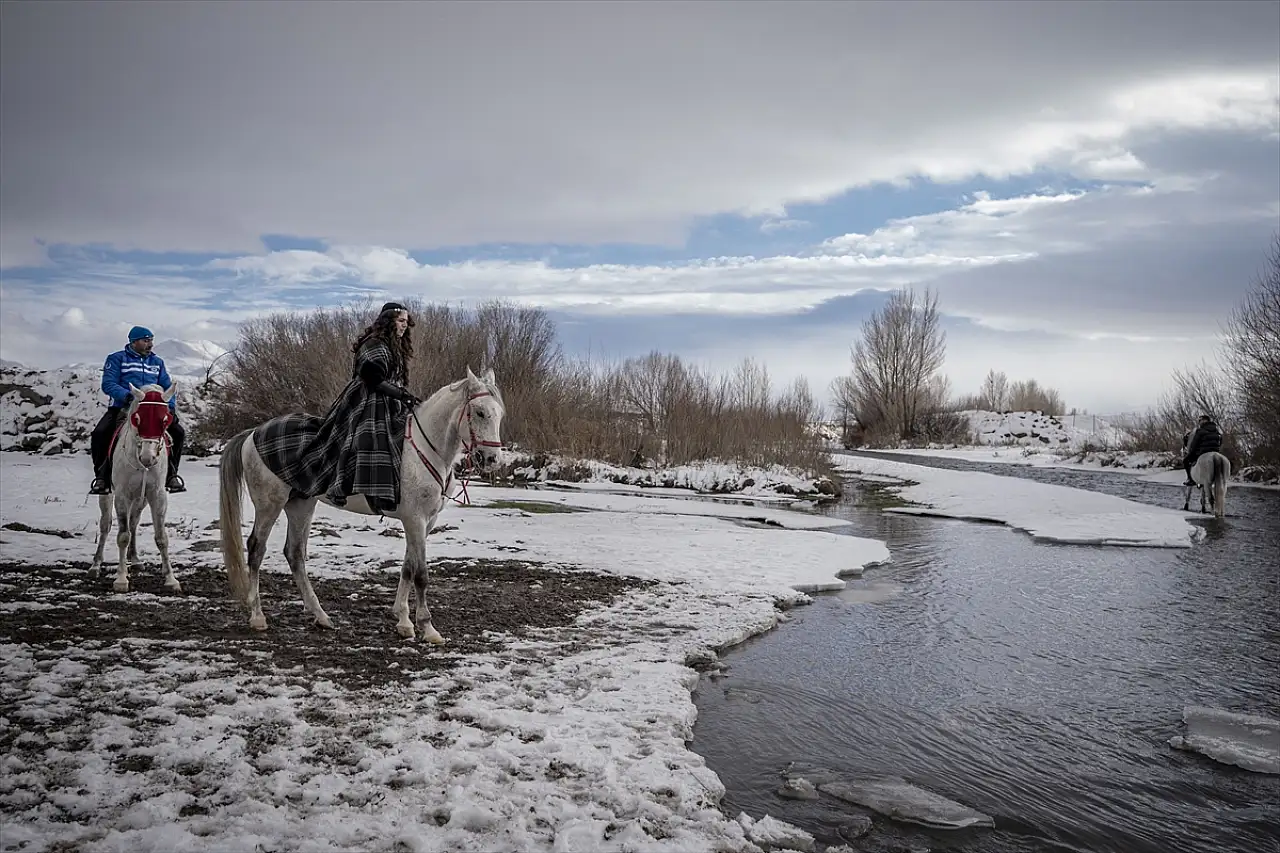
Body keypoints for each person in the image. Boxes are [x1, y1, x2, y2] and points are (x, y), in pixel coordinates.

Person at [261, 302, 420, 514]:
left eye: (406, 322)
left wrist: (404, 396)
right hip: (367, 401)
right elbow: (372, 378)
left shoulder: (393, 347)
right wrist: (399, 394)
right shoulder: (373, 344)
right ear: (388, 321)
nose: (404, 325)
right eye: (400, 321)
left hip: (390, 402)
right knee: (369, 439)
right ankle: (359, 489)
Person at [89, 326, 186, 494]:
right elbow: (108, 383)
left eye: (151, 340)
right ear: (134, 342)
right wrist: (127, 396)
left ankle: (171, 475)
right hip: (123, 407)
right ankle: (102, 476)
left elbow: (167, 387)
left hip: (153, 410)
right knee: (100, 433)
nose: (150, 344)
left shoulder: (157, 362)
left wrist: (169, 407)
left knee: (178, 432)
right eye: (146, 341)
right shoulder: (117, 359)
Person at [1182, 413, 1223, 486]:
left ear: (1204, 421)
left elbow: (1194, 444)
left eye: (1200, 421)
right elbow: (1220, 442)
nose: (1199, 422)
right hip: (1215, 452)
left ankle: (1191, 479)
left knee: (1186, 461)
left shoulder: (1200, 431)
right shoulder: (1216, 431)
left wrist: (1191, 452)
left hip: (1203, 452)